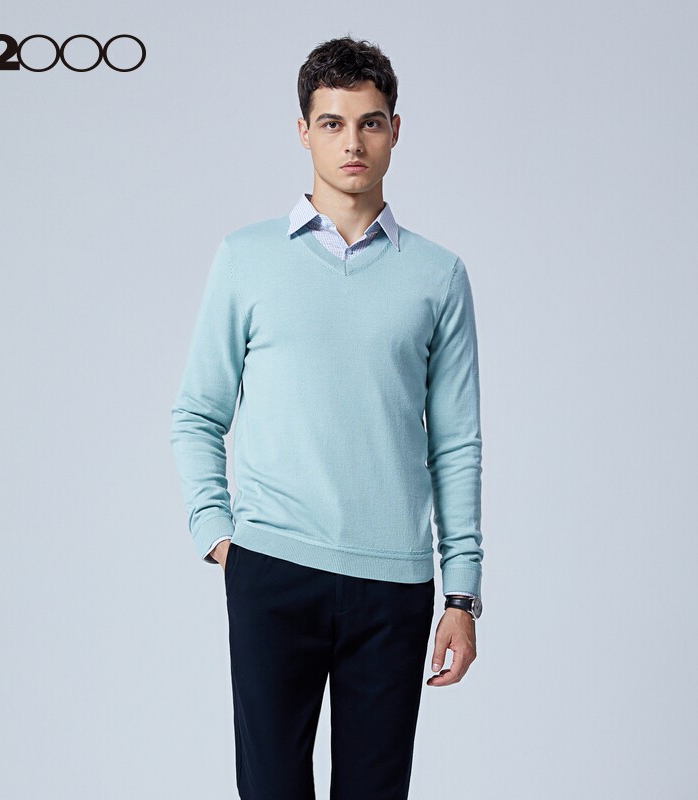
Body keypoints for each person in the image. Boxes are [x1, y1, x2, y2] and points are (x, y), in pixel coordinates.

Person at [170, 35, 484, 800]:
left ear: (395, 131)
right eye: (333, 123)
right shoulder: (246, 258)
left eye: (370, 123)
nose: (353, 143)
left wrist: (461, 592)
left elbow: (456, 444)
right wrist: (218, 535)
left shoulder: (438, 275)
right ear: (304, 131)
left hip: (393, 585)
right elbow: (198, 412)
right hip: (273, 569)